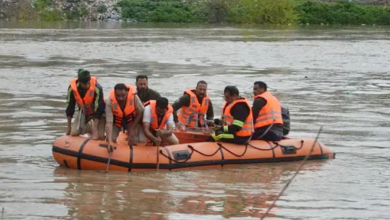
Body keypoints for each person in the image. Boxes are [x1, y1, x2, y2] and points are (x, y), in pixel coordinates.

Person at [66, 69, 106, 140]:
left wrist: (95, 129)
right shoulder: (72, 89)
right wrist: (69, 127)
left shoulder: (97, 88)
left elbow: (99, 108)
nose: (87, 86)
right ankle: (90, 126)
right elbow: (70, 107)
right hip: (84, 112)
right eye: (85, 84)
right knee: (74, 133)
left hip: (98, 114)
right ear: (79, 82)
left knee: (99, 136)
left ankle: (95, 126)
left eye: (88, 83)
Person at [105, 83, 144, 148]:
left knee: (134, 140)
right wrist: (110, 142)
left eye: (123, 95)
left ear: (127, 92)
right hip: (116, 122)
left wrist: (132, 128)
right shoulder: (109, 102)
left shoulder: (134, 97)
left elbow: (141, 111)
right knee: (111, 139)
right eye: (118, 96)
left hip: (130, 121)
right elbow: (109, 123)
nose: (121, 98)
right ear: (114, 93)